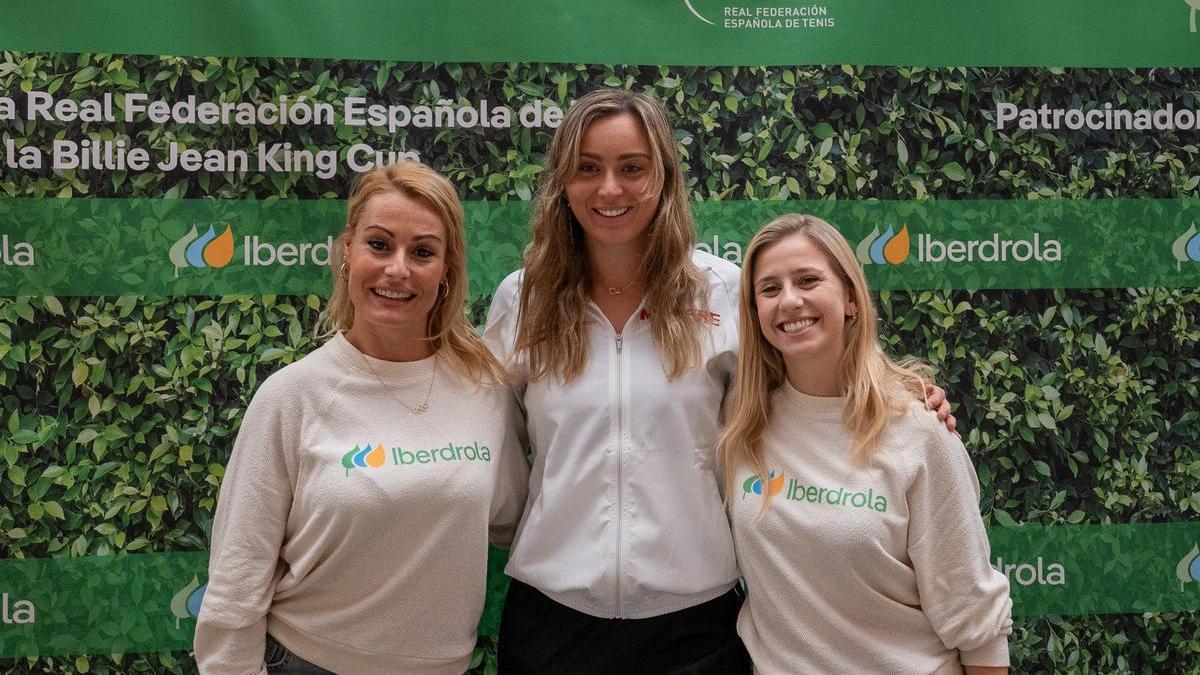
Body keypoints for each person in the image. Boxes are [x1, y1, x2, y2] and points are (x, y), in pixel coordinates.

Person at [484, 89, 955, 673]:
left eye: (632, 168)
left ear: (664, 177)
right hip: (552, 621)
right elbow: (490, 436)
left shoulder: (722, 291)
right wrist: (524, 527)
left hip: (696, 627)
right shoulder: (523, 298)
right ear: (563, 182)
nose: (610, 189)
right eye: (588, 169)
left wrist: (897, 395)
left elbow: (804, 384)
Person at [194, 161, 529, 674]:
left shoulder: (484, 390)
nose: (398, 268)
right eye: (379, 244)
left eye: (422, 251)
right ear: (347, 251)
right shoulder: (291, 397)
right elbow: (236, 585)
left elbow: (518, 522)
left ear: (446, 271)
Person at [721, 214, 1012, 674]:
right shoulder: (741, 422)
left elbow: (976, 622)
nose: (790, 301)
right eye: (769, 289)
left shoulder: (918, 431)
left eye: (808, 280)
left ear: (851, 298)